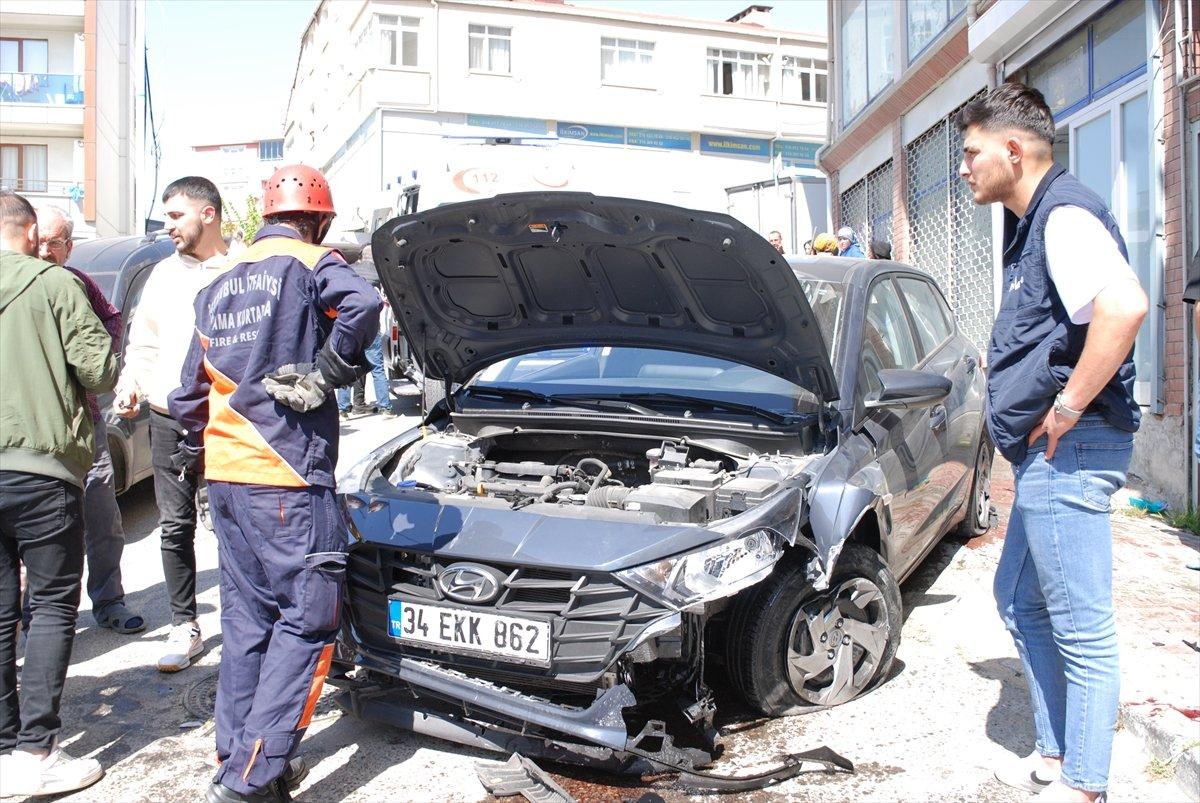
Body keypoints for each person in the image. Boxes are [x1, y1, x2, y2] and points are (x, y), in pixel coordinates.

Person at [957, 82, 1148, 803]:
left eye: (972, 153)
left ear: (1013, 149)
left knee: (1080, 624)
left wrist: (1066, 405)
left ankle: (1086, 782)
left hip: (1071, 449)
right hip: (1045, 456)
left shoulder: (1064, 215)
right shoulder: (1031, 222)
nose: (965, 168)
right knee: (1018, 596)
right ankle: (1053, 751)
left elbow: (1125, 305)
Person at [169, 164, 380, 803]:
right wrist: (328, 369)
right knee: (309, 619)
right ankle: (253, 780)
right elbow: (365, 304)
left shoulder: (218, 285)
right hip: (287, 475)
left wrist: (200, 450)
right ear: (318, 218)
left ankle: (235, 756)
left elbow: (187, 395)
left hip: (228, 479)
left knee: (247, 623)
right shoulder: (311, 262)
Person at [0, 191, 115, 797]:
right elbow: (98, 372)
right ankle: (34, 751)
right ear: (26, 231)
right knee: (48, 607)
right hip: (40, 467)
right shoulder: (54, 285)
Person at [113, 176, 230, 672]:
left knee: (237, 525)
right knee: (174, 525)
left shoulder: (245, 268)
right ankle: (186, 625)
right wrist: (130, 380)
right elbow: (144, 341)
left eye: (176, 215)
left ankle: (249, 622)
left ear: (208, 214)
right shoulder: (162, 274)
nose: (168, 226)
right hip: (167, 419)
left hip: (231, 421)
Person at [32, 206, 143, 634]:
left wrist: (96, 367)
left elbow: (112, 319)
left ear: (67, 247)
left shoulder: (77, 283)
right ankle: (36, 616)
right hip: (31, 428)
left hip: (85, 421)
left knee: (101, 515)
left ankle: (109, 600)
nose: (44, 250)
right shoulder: (15, 286)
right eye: (38, 240)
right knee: (40, 526)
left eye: (53, 242)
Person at [336, 245, 393, 418]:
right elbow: (388, 297)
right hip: (371, 327)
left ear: (360, 256)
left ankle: (342, 409)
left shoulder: (349, 270)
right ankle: (385, 408)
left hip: (350, 326)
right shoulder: (380, 272)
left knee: (346, 365)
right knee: (377, 367)